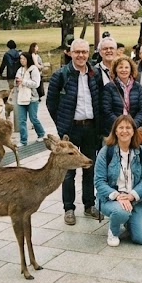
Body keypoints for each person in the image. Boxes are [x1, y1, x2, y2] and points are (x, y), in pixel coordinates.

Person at [46, 38, 103, 224]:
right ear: (69, 53)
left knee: (89, 166)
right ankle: (69, 208)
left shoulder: (95, 74)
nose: (81, 55)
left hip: (91, 127)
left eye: (84, 52)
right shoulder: (61, 75)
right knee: (68, 170)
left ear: (89, 53)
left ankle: (89, 205)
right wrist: (62, 124)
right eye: (77, 52)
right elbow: (51, 103)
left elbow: (99, 99)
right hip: (70, 128)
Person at [94, 115, 142, 247]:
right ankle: (113, 232)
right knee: (121, 211)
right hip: (110, 199)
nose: (124, 131)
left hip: (134, 200)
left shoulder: (141, 152)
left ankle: (127, 221)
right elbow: (99, 181)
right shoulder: (106, 152)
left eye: (128, 127)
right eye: (121, 127)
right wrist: (118, 196)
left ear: (133, 131)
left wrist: (132, 195)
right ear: (115, 131)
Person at [101, 56, 142, 145]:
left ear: (131, 69)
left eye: (126, 67)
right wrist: (120, 126)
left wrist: (132, 125)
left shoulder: (137, 87)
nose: (124, 70)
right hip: (114, 131)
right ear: (115, 69)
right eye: (120, 67)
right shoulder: (109, 87)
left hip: (133, 131)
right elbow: (106, 110)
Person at [14, 52, 48, 146]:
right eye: (21, 59)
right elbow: (16, 82)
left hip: (32, 97)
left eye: (24, 59)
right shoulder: (19, 70)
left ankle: (41, 133)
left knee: (33, 118)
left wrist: (23, 81)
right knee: (21, 120)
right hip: (21, 96)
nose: (22, 61)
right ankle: (23, 140)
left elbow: (36, 83)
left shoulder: (33, 69)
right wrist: (17, 82)